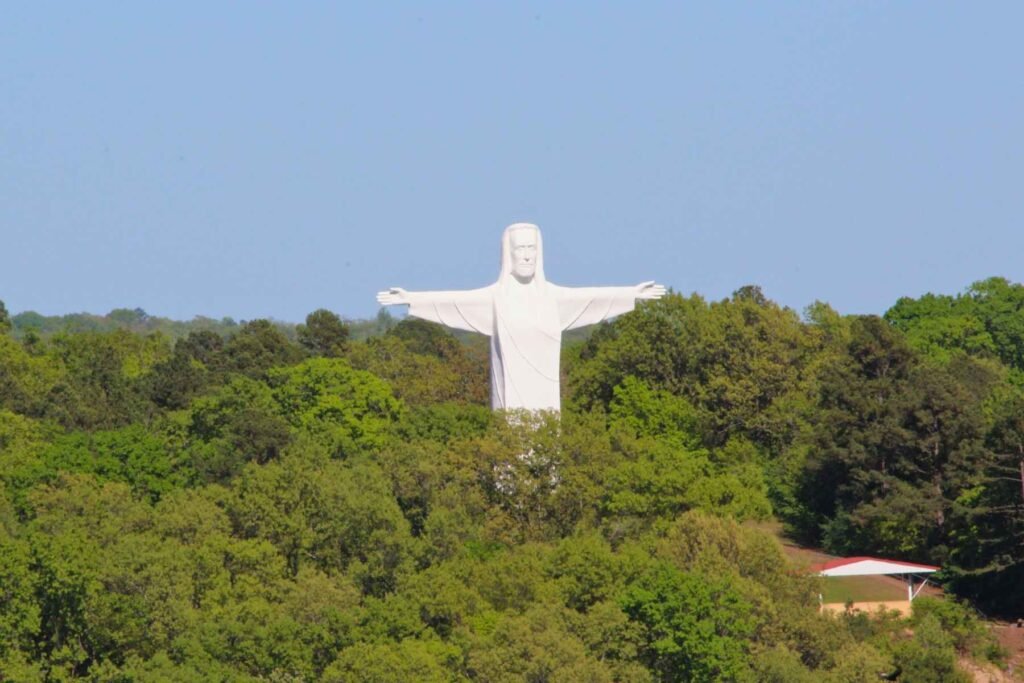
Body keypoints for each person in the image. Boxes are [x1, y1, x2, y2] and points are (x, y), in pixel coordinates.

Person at [377, 223, 665, 411]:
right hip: (508, 405)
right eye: (521, 249)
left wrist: (632, 294)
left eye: (532, 249)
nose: (527, 256)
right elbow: (453, 301)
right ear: (509, 254)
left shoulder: (553, 298)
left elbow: (592, 298)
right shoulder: (495, 298)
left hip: (547, 406)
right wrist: (410, 299)